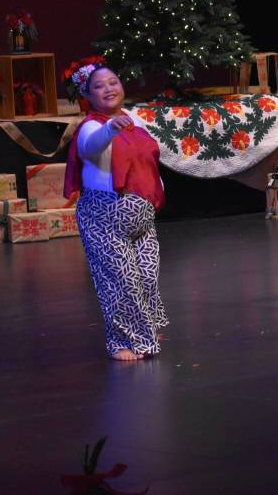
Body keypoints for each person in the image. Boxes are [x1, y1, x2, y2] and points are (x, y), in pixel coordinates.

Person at [64, 64, 167, 360]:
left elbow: (148, 159)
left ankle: (145, 327)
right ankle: (121, 342)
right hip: (103, 217)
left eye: (113, 82)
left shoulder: (133, 120)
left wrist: (159, 188)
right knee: (121, 282)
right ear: (88, 94)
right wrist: (110, 129)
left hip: (142, 217)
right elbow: (89, 148)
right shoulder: (92, 126)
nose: (108, 88)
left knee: (147, 278)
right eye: (99, 85)